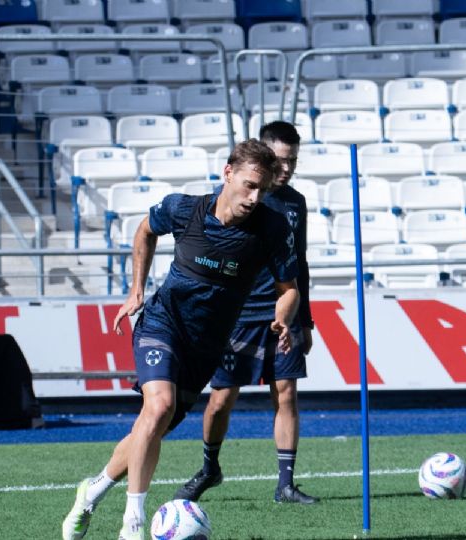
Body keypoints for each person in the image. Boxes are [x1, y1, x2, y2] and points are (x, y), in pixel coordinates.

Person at [61, 139, 300, 540]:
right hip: (163, 324)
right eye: (248, 185)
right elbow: (144, 230)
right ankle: (132, 524)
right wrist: (136, 289)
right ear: (228, 173)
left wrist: (283, 318)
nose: (254, 197)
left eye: (262, 189)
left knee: (154, 427)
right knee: (158, 408)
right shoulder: (184, 208)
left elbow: (288, 288)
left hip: (206, 346)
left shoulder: (272, 227)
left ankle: (91, 492)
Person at [174, 121, 318, 505]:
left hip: (280, 315)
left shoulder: (295, 203)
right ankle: (209, 468)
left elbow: (298, 264)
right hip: (234, 315)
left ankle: (285, 484)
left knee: (286, 394)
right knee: (221, 399)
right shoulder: (240, 197)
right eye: (281, 161)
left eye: (293, 161)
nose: (286, 169)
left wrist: (304, 320)